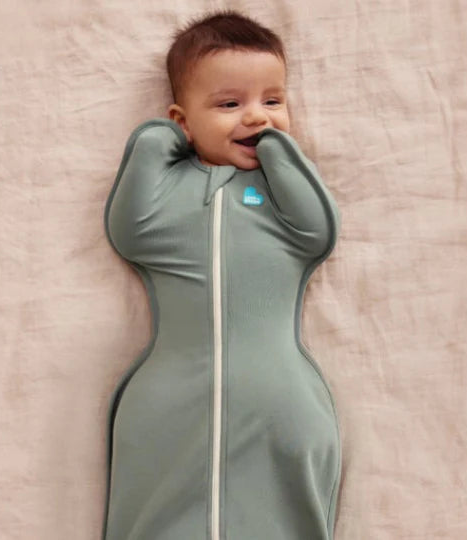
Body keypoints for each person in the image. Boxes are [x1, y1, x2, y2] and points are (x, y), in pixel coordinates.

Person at [102, 9, 342, 540]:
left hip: (280, 402)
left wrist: (277, 148)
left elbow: (320, 231)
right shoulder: (169, 195)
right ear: (183, 119)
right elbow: (130, 230)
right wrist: (159, 139)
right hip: (168, 403)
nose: (256, 117)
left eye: (272, 101)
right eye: (230, 104)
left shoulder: (282, 197)